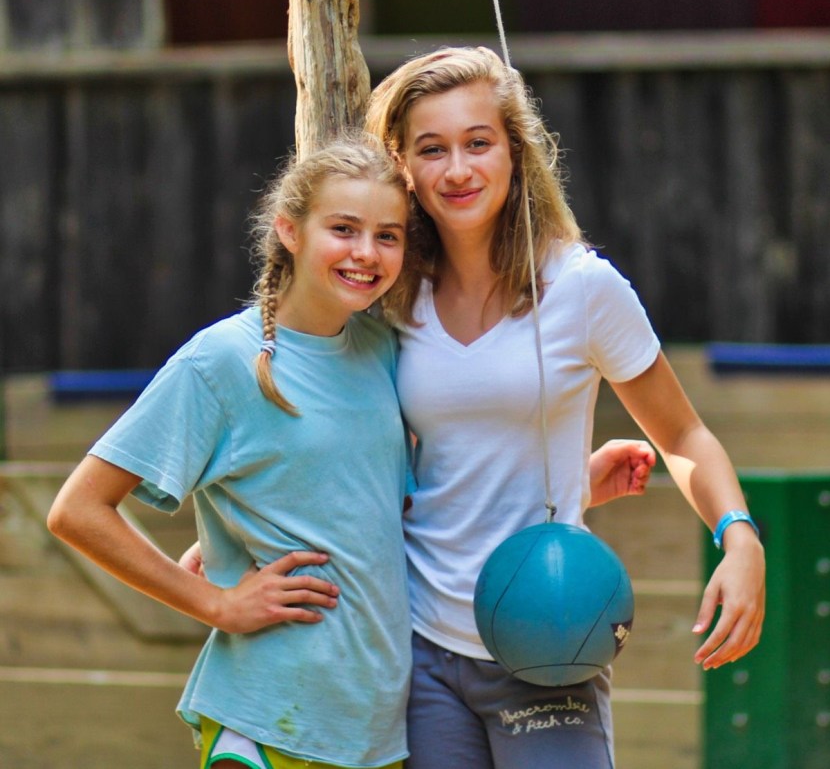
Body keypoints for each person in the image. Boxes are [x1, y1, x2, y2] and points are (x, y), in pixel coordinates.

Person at [363, 46, 766, 769]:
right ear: (403, 169)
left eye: (478, 143)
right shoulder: (390, 293)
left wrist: (739, 538)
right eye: (432, 149)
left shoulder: (582, 287)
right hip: (420, 647)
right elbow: (394, 467)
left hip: (549, 641)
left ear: (515, 152)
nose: (458, 169)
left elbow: (683, 433)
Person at [47, 134, 417, 769]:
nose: (366, 253)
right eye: (344, 228)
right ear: (290, 231)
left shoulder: (382, 348)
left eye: (388, 235)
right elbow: (77, 510)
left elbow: (364, 502)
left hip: (372, 728)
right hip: (268, 718)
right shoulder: (219, 360)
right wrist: (215, 601)